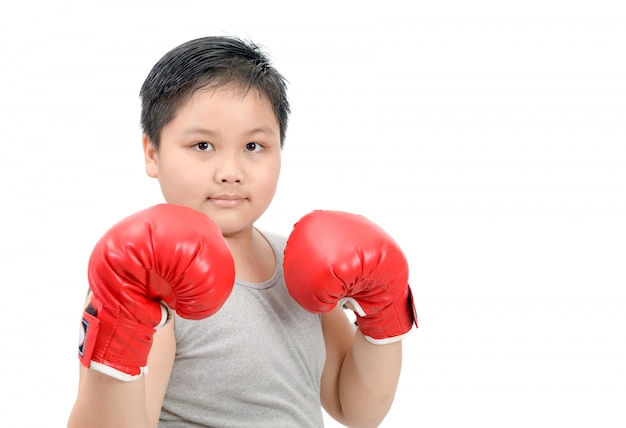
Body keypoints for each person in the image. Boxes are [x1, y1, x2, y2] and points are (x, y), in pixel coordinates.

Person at [67, 35, 417, 428]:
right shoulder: (147, 275)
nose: (230, 172)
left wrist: (384, 315)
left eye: (253, 146)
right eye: (202, 145)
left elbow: (354, 409)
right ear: (152, 153)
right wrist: (119, 328)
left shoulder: (300, 264)